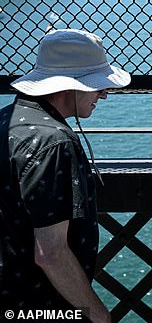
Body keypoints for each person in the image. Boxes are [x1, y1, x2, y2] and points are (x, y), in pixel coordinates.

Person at [0, 29, 131, 322]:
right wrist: (99, 316)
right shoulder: (55, 143)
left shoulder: (7, 120)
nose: (104, 94)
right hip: (38, 305)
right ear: (70, 86)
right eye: (97, 86)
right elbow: (50, 252)